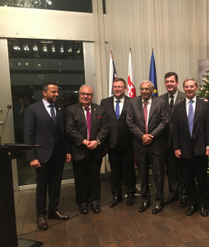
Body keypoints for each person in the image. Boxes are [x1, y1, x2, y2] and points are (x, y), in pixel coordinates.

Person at [24, 82, 71, 230]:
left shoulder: (60, 108)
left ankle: (53, 210)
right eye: (53, 92)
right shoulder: (32, 109)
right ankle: (40, 215)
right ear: (44, 93)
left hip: (58, 154)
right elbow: (28, 135)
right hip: (41, 155)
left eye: (57, 92)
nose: (56, 94)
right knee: (42, 186)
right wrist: (32, 157)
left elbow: (64, 133)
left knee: (56, 184)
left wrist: (67, 151)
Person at [66, 85, 109, 215]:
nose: (86, 96)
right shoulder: (71, 110)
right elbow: (69, 129)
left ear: (92, 96)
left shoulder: (100, 110)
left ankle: (95, 202)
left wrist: (97, 141)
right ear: (79, 95)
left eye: (88, 94)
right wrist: (84, 142)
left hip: (96, 150)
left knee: (95, 178)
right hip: (79, 150)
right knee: (80, 179)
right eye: (83, 94)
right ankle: (82, 203)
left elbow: (105, 128)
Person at [126, 80, 168, 214]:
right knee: (143, 175)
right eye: (142, 89)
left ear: (152, 90)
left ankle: (159, 201)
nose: (144, 91)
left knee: (158, 175)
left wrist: (150, 136)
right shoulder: (133, 102)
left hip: (156, 145)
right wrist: (142, 136)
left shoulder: (160, 102)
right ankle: (145, 200)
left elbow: (164, 121)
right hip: (140, 145)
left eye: (147, 89)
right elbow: (129, 121)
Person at [172, 77, 209, 217]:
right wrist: (176, 147)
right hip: (184, 149)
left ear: (196, 87)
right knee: (188, 179)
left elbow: (208, 126)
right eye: (186, 86)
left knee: (202, 178)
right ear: (183, 88)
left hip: (201, 148)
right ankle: (192, 203)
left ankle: (202, 204)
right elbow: (175, 130)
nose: (189, 89)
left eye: (191, 86)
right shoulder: (178, 107)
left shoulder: (204, 105)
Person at [100, 78, 136, 208]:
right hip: (112, 143)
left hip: (128, 142)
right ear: (112, 88)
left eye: (120, 87)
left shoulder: (132, 102)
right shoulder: (104, 102)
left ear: (125, 88)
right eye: (115, 86)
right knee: (115, 171)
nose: (117, 89)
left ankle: (131, 192)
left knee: (129, 170)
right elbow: (102, 123)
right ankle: (116, 194)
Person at [159, 72, 188, 207]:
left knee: (182, 170)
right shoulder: (159, 99)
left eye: (172, 81)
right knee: (170, 170)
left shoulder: (185, 97)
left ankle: (183, 195)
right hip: (166, 142)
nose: (169, 84)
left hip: (182, 141)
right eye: (167, 82)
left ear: (177, 82)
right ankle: (173, 194)